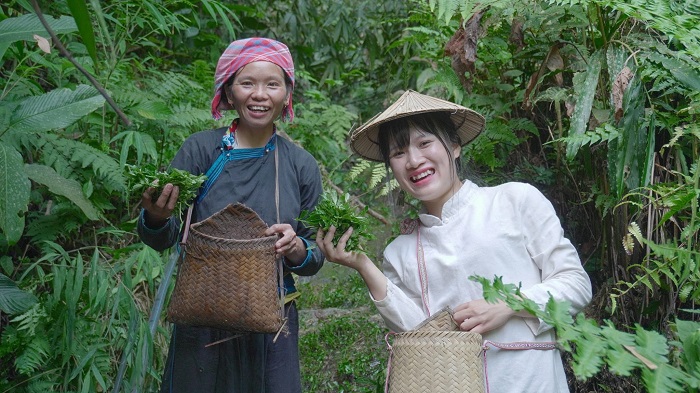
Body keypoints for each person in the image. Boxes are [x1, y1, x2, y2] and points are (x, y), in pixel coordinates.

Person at [317, 90, 592, 392]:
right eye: (398, 153)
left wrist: (509, 305)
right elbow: (418, 339)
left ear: (455, 145)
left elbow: (576, 286)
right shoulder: (400, 252)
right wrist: (363, 265)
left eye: (424, 143)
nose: (413, 160)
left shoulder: (514, 200)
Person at [137, 37, 324, 393]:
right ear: (229, 92)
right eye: (247, 83)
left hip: (273, 319)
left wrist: (298, 248)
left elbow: (316, 253)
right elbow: (162, 236)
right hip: (201, 312)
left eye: (272, 84)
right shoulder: (200, 150)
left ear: (287, 94)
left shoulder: (300, 165)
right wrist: (157, 218)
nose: (259, 94)